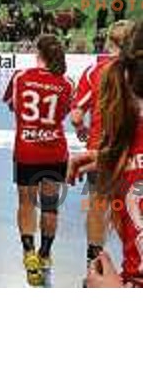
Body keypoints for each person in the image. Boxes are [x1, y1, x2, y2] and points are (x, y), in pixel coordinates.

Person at [69, 21, 143, 288]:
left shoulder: (95, 71)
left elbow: (76, 114)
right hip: (125, 152)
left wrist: (82, 131)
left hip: (102, 151)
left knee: (98, 206)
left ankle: (95, 260)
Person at [3, 35, 74, 287]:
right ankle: (45, 255)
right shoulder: (66, 83)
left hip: (27, 151)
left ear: (37, 52)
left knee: (26, 203)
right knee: (50, 206)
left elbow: (12, 106)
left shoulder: (21, 77)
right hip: (55, 152)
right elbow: (64, 112)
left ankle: (28, 253)